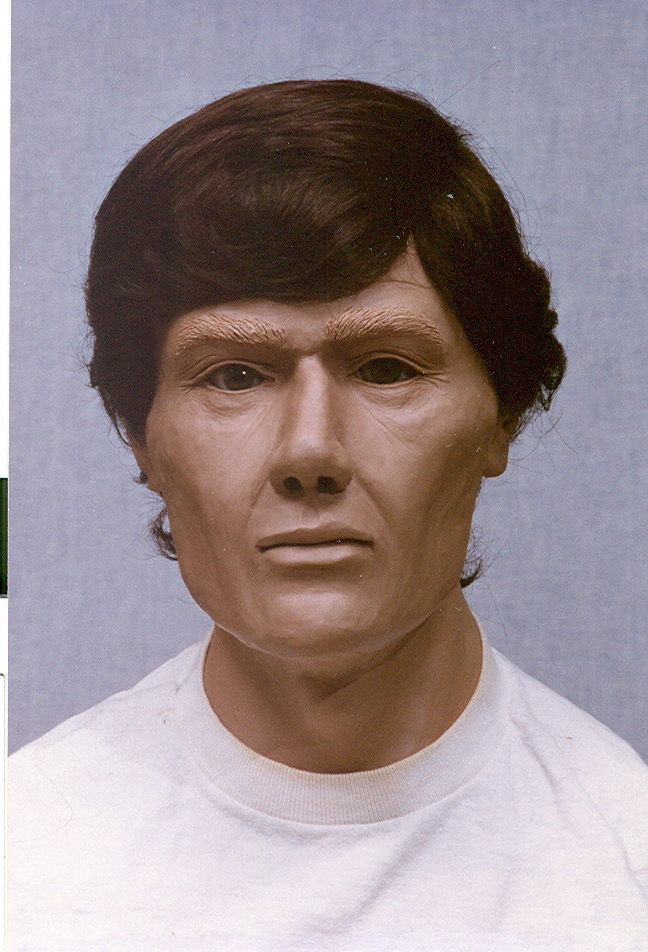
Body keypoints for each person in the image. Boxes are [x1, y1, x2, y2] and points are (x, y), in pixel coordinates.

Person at [9, 79, 648, 951]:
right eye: (235, 375)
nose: (309, 452)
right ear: (140, 437)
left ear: (500, 417)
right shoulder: (25, 859)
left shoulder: (626, 868)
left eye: (386, 368)